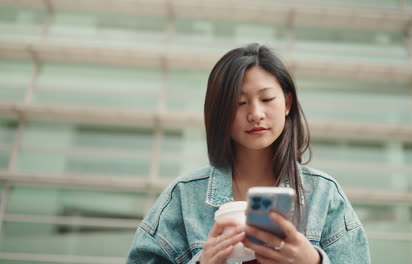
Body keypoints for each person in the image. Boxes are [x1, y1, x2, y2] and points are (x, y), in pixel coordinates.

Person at [126, 43, 371, 264]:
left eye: (266, 99)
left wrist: (314, 262)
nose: (255, 114)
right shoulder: (184, 197)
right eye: (239, 103)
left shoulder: (323, 195)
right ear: (220, 112)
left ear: (287, 103)